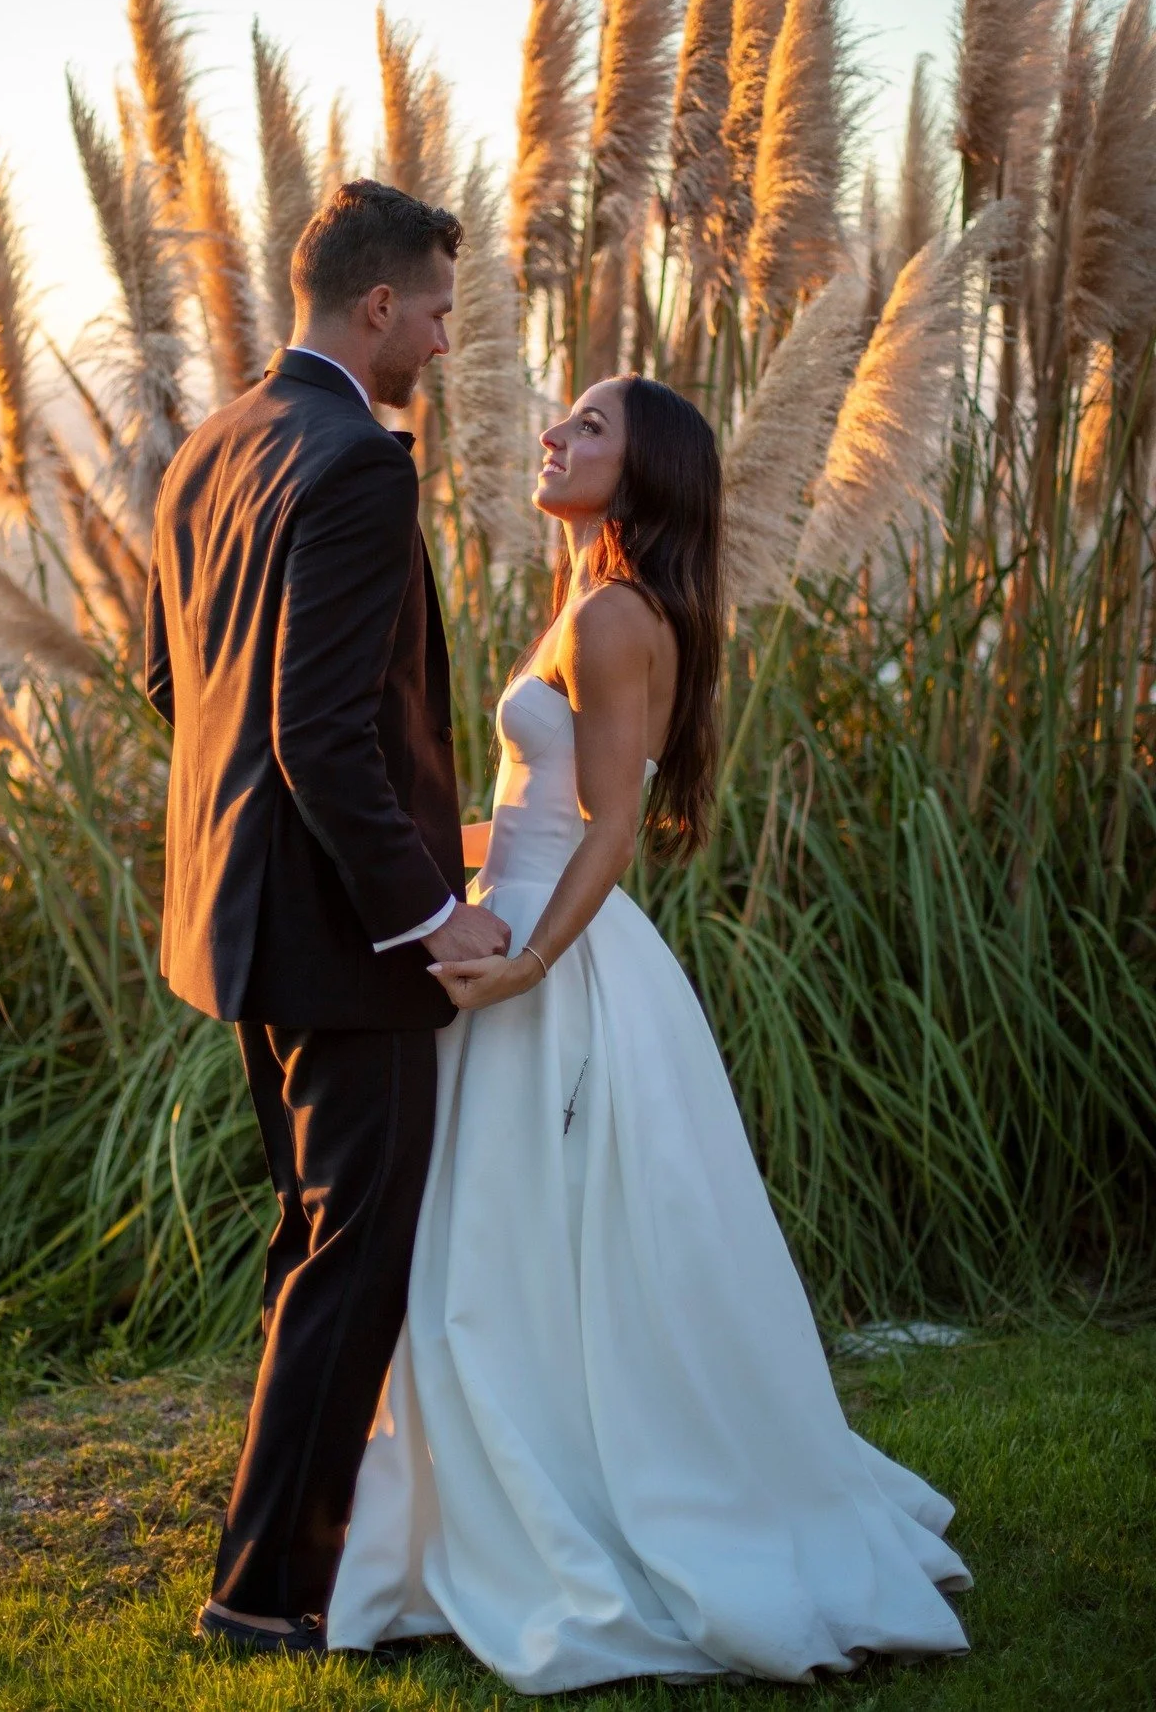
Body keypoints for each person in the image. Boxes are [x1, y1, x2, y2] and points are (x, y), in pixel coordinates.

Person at [325, 374, 973, 1691]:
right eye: (562, 417)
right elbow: (533, 818)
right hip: (512, 927)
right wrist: (391, 877)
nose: (556, 434)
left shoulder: (618, 616)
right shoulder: (588, 600)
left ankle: (568, 1510)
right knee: (507, 1240)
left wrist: (526, 967)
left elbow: (610, 831)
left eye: (591, 426)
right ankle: (501, 1494)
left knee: (515, 1241)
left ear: (647, 470)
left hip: (555, 964)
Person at [145, 180, 511, 1654]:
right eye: (434, 305)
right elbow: (318, 731)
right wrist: (432, 912)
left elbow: (180, 688)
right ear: (376, 307)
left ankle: (278, 1556)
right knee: (351, 1249)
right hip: (343, 939)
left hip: (240, 920)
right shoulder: (358, 459)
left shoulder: (213, 446)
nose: (440, 330)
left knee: (316, 1241)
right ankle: (265, 1592)